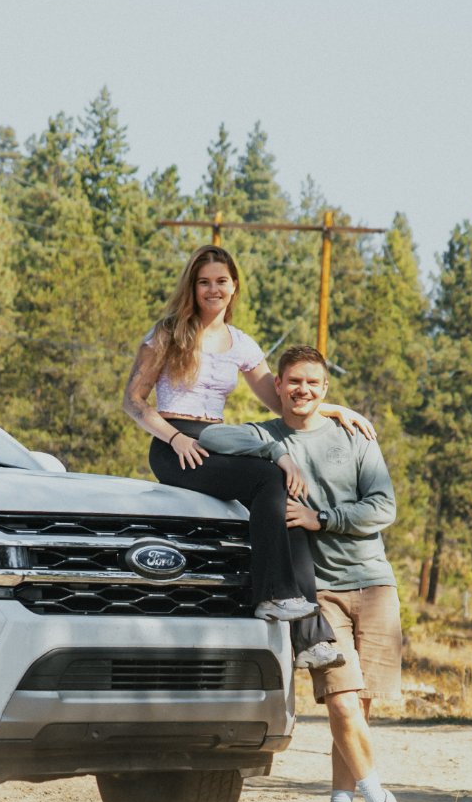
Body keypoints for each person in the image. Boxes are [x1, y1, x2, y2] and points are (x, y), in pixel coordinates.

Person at [200, 345, 420, 802]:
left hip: (374, 583)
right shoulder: (266, 434)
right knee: (342, 705)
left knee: (358, 713)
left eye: (314, 385)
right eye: (294, 382)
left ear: (325, 389)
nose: (303, 391)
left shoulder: (353, 436)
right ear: (278, 385)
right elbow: (210, 436)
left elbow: (382, 506)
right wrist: (275, 453)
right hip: (317, 590)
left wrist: (324, 519)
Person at [122, 244, 371, 669]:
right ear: (193, 287)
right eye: (204, 282)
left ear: (234, 287)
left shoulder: (241, 344)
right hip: (174, 444)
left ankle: (309, 637)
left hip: (216, 440)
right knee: (267, 478)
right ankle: (272, 596)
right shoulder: (168, 332)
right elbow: (132, 401)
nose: (213, 289)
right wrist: (173, 438)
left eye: (221, 281)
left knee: (290, 505)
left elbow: (280, 400)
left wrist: (333, 409)